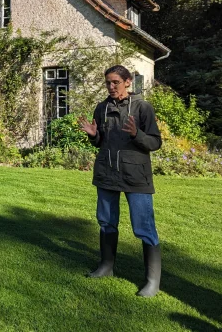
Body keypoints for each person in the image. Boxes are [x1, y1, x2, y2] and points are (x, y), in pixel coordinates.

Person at [78, 65, 162, 297]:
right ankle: (106, 267)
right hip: (107, 174)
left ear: (128, 82)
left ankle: (152, 281)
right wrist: (94, 136)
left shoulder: (142, 108)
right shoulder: (101, 108)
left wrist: (137, 134)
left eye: (115, 82)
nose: (111, 86)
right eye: (108, 83)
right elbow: (101, 141)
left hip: (136, 177)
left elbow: (155, 142)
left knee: (143, 228)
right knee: (106, 222)